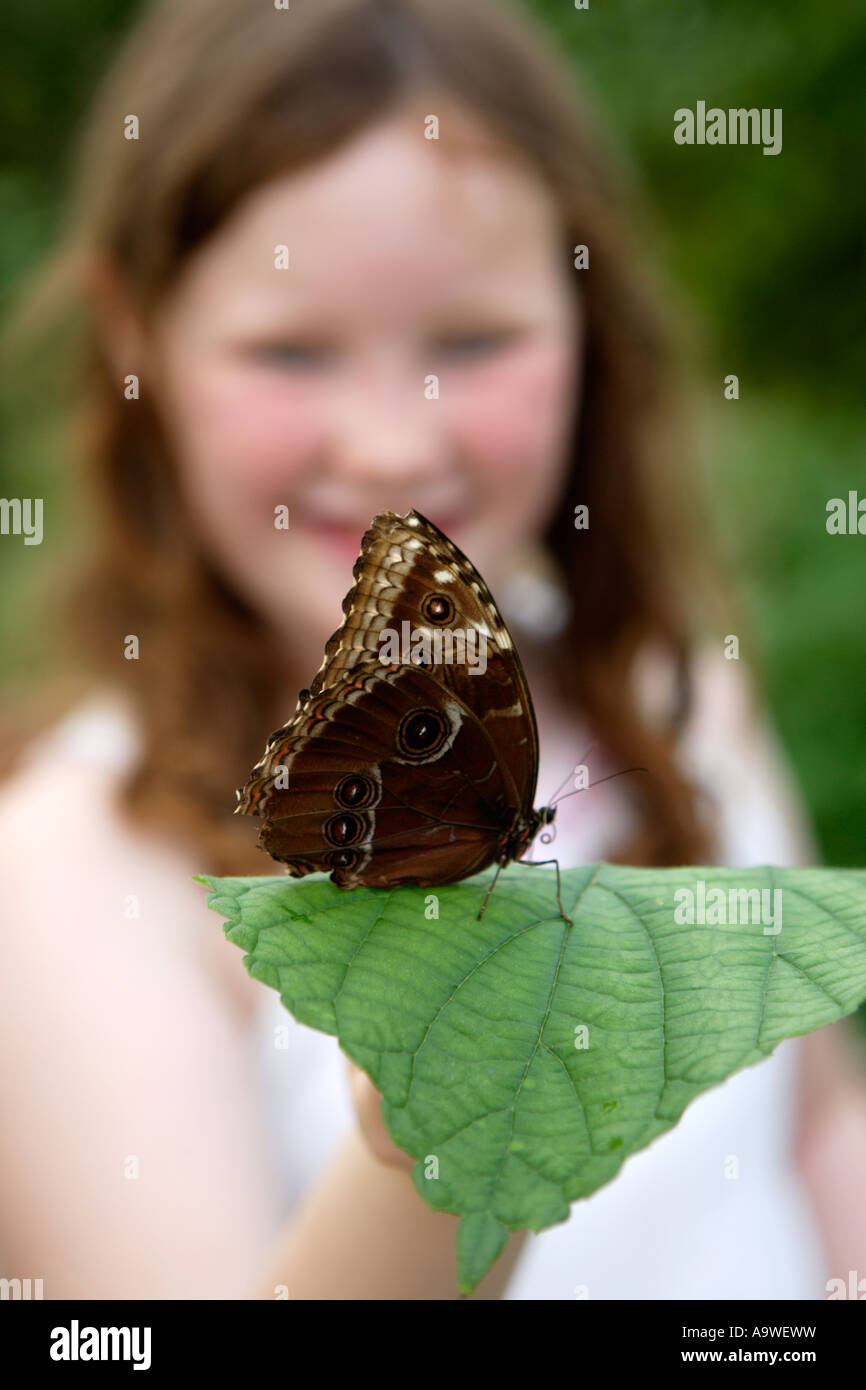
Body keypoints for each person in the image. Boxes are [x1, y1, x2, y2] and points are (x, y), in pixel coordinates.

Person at [1, 0, 864, 1300]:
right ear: (136, 338)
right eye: (289, 349)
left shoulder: (673, 692)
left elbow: (813, 1127)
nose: (395, 447)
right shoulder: (66, 873)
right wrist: (434, 1140)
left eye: (471, 341)